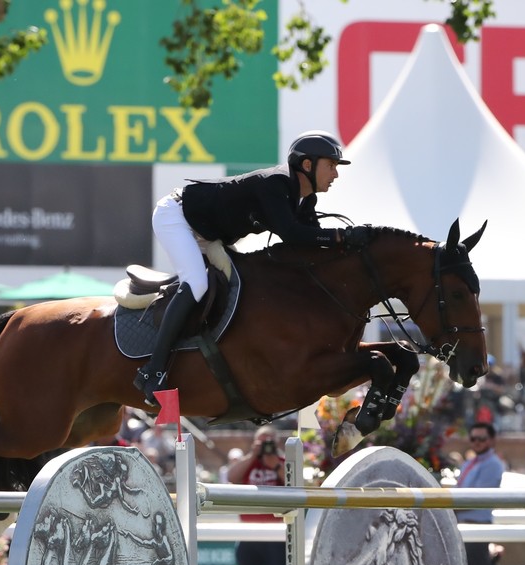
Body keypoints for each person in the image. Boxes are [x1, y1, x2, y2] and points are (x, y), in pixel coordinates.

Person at [135, 130, 364, 405]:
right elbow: (292, 235)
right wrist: (344, 236)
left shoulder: (305, 199)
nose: (335, 175)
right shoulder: (275, 185)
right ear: (307, 165)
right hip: (177, 216)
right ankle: (153, 371)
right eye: (331, 166)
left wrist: (350, 252)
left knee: (239, 286)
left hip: (210, 233)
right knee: (196, 283)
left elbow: (310, 249)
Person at [456, 422, 505, 565]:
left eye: (481, 439)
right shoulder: (470, 463)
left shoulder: (492, 464)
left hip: (476, 523)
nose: (477, 442)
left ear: (492, 440)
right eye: (473, 439)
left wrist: (448, 504)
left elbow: (474, 497)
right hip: (463, 523)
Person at [222, 425, 286, 565]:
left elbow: (295, 483)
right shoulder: (248, 463)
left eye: (268, 442)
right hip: (249, 532)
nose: (265, 446)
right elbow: (231, 477)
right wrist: (252, 455)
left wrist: (275, 465)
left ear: (276, 444)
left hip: (275, 532)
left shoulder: (282, 462)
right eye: (260, 442)